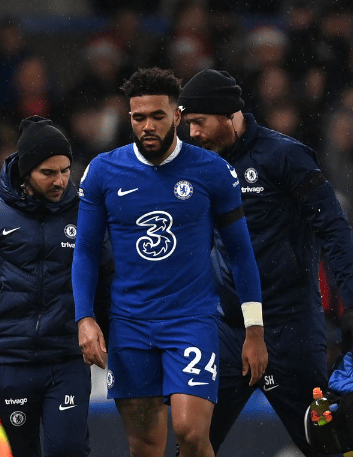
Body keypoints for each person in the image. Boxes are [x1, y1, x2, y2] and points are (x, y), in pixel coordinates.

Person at [72, 67, 267, 457]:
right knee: (145, 445)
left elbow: (241, 252)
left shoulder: (212, 171)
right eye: (138, 117)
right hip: (130, 324)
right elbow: (87, 251)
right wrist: (85, 318)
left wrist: (254, 330)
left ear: (177, 116)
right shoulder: (104, 171)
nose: (147, 126)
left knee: (191, 431)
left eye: (157, 116)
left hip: (191, 320)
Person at [177, 68, 353, 457]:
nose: (192, 133)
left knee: (327, 445)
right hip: (228, 329)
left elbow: (334, 228)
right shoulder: (196, 163)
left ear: (229, 113)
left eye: (199, 122)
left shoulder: (285, 156)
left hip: (290, 329)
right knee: (192, 439)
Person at [0, 115, 112, 457]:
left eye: (65, 170)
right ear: (25, 172)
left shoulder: (86, 214)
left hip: (65, 359)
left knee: (69, 450)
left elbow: (107, 276)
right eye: (48, 173)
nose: (60, 181)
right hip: (7, 360)